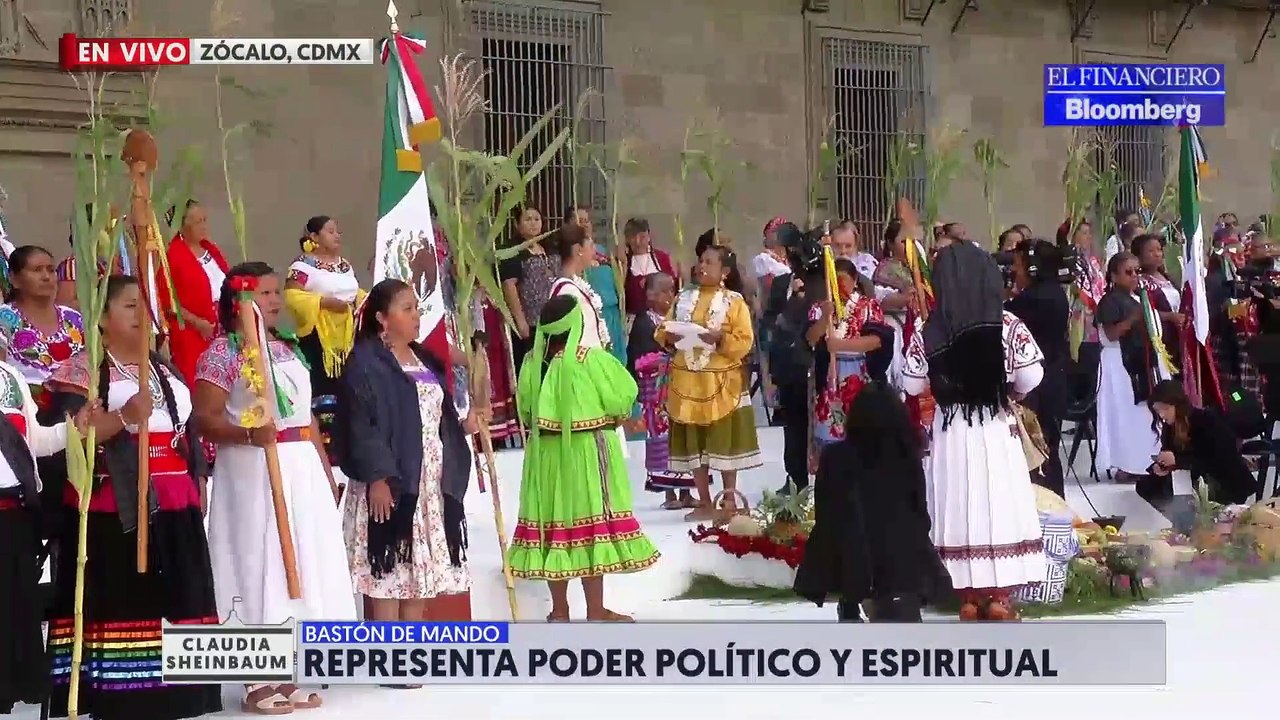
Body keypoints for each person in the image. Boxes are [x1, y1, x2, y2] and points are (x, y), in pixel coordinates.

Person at [45, 275, 220, 720]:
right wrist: (124, 416)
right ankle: (127, 696)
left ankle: (182, 693)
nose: (141, 314)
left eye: (145, 305)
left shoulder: (164, 368)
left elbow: (186, 430)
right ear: (102, 318)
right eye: (128, 306)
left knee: (178, 591)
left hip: (176, 498)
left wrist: (196, 475)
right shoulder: (84, 372)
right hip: (118, 502)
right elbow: (72, 437)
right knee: (128, 595)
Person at [196, 262, 355, 713]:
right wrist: (249, 434)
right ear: (239, 301)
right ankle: (255, 676)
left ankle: (287, 668)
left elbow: (305, 419)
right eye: (264, 294)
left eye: (274, 293)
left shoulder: (287, 348)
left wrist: (325, 471)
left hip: (299, 466)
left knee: (300, 563)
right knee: (256, 560)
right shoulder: (222, 353)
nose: (274, 301)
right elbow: (204, 419)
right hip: (252, 468)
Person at [901, 242, 1046, 621]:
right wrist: (1013, 391)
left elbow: (911, 383)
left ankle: (967, 597)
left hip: (951, 432)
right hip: (996, 429)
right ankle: (999, 598)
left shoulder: (930, 328)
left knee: (958, 506)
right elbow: (1032, 374)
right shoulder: (1007, 324)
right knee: (997, 504)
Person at [337, 280, 472, 648]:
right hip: (393, 480)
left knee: (417, 573)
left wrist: (463, 425)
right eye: (407, 309)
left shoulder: (423, 358)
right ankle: (388, 653)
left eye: (416, 308)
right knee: (389, 572)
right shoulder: (366, 363)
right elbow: (361, 424)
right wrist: (378, 477)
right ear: (382, 318)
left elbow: (436, 417)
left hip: (428, 482)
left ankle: (412, 651)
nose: (416, 315)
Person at [509, 294, 660, 621]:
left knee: (553, 527)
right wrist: (616, 417)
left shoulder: (532, 363)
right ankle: (595, 609)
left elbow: (525, 409)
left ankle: (559, 609)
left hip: (545, 456)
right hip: (587, 453)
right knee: (591, 526)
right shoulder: (590, 359)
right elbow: (622, 397)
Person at [794, 323, 950, 623]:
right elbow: (920, 511)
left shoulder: (836, 456)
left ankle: (850, 600)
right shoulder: (907, 457)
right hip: (898, 556)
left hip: (851, 553)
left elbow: (826, 511)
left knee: (839, 531)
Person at [0, 337, 80, 715]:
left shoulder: (10, 376)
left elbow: (39, 441)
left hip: (14, 516)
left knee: (15, 608)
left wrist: (77, 427)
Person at [657, 244, 761, 521]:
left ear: (724, 271)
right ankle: (704, 502)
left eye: (709, 262)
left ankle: (728, 500)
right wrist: (670, 337)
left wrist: (720, 339)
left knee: (724, 439)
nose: (702, 266)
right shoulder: (683, 297)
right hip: (687, 379)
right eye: (700, 261)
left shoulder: (734, 302)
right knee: (694, 441)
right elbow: (663, 329)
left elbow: (744, 341)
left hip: (722, 381)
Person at [285, 215, 364, 469]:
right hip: (318, 338)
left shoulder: (344, 265)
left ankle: (348, 446)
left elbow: (354, 292)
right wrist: (322, 302)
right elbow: (292, 296)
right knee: (324, 389)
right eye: (330, 231)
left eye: (338, 231)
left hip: (347, 337)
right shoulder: (302, 265)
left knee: (349, 388)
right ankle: (327, 450)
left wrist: (365, 300)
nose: (337, 235)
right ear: (314, 237)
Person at [1005, 239, 1071, 496]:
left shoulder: (1033, 299)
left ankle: (1046, 505)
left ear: (1032, 268)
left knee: (1038, 449)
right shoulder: (1053, 292)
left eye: (1017, 265)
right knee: (1048, 448)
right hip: (1055, 380)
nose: (1013, 271)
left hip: (1038, 387)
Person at [1094, 251, 1164, 484]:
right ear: (1114, 276)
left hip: (1138, 362)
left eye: (1137, 271)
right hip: (1119, 366)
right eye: (1128, 272)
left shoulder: (1137, 297)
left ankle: (1144, 462)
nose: (1135, 276)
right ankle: (1126, 465)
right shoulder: (1110, 300)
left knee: (1142, 415)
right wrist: (1134, 317)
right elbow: (1111, 334)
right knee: (1124, 415)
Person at [630, 273, 696, 509]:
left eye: (672, 290)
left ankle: (687, 492)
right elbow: (637, 360)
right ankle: (669, 494)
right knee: (662, 440)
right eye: (665, 291)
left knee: (685, 438)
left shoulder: (678, 318)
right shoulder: (643, 323)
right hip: (656, 392)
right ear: (651, 295)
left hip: (681, 386)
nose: (671, 295)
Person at [811, 258, 885, 448]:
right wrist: (825, 318)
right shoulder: (821, 307)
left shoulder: (868, 306)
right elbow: (810, 339)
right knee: (830, 440)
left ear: (855, 280)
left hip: (859, 373)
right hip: (829, 375)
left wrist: (841, 344)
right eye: (834, 281)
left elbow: (877, 341)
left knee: (861, 435)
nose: (840, 286)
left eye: (843, 280)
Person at [1148, 379, 1255, 508]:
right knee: (1147, 486)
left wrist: (1178, 461)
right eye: (1158, 410)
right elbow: (1171, 454)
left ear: (1177, 404)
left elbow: (1219, 460)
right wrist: (1160, 466)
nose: (1161, 414)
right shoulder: (1169, 428)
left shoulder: (1205, 420)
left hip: (1220, 480)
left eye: (1165, 408)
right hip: (1191, 479)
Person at [157, 200, 230, 385]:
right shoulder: (172, 256)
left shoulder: (210, 249)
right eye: (198, 222)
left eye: (205, 220)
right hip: (193, 333)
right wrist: (198, 323)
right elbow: (167, 303)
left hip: (222, 328)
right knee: (200, 382)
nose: (204, 226)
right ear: (181, 227)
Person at [499, 205, 558, 373]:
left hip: (552, 321)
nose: (533, 223)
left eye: (536, 219)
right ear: (517, 224)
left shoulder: (549, 247)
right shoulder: (512, 252)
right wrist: (520, 320)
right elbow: (509, 285)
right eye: (527, 219)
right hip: (530, 323)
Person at [568, 206, 627, 367]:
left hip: (612, 313)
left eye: (587, 221)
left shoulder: (603, 251)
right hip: (592, 314)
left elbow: (619, 283)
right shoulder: (571, 254)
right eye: (580, 221)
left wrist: (623, 263)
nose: (584, 225)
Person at [548, 222, 613, 352]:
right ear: (579, 250)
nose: (594, 251)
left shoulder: (575, 284)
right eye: (591, 245)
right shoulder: (567, 290)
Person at [621, 217, 679, 321]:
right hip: (634, 320)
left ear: (648, 236)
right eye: (633, 237)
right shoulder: (624, 262)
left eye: (642, 237)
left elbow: (672, 286)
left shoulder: (661, 257)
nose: (637, 242)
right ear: (627, 239)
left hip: (662, 318)